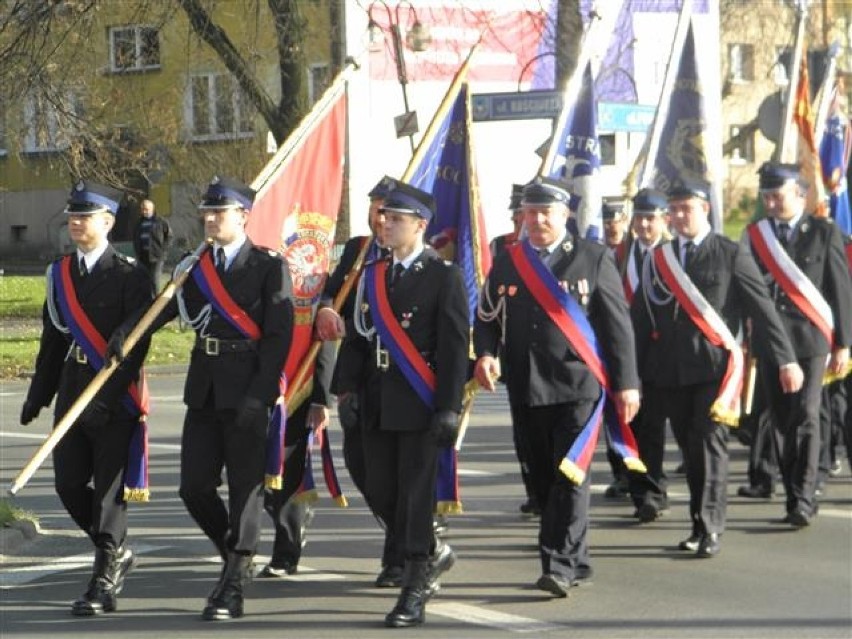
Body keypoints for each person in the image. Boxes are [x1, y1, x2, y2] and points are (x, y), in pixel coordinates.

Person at [116, 176, 294, 620]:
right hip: (205, 389)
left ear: (243, 216)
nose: (210, 219)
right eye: (207, 212)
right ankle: (236, 553)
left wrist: (261, 395)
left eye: (220, 212)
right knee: (194, 487)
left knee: (244, 490)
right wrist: (126, 332)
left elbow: (278, 337)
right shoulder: (195, 266)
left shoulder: (269, 266)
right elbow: (165, 307)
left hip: (248, 389)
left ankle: (232, 583)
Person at [474, 178, 640, 597]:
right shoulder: (509, 260)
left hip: (577, 387)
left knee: (570, 476)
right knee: (545, 479)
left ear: (565, 214)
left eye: (546, 212)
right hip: (526, 385)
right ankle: (576, 558)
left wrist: (627, 384)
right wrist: (486, 353)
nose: (537, 220)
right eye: (530, 213)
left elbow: (617, 327)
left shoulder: (592, 258)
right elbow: (487, 316)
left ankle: (559, 565)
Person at [631, 179, 802, 557]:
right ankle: (698, 521)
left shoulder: (728, 252)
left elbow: (762, 307)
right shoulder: (660, 258)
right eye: (672, 210)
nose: (677, 216)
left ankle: (709, 528)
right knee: (691, 453)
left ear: (704, 209)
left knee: (710, 448)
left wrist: (786, 358)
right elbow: (642, 318)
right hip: (669, 372)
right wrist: (632, 375)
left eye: (685, 208)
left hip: (714, 372)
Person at [335, 181, 469, 627]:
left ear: (420, 226)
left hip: (418, 401)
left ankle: (414, 586)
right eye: (383, 217)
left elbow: (453, 348)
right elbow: (357, 337)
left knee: (413, 496)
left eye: (395, 219)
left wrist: (449, 407)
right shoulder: (372, 274)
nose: (385, 224)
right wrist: (346, 389)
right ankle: (430, 548)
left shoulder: (443, 276)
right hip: (376, 398)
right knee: (379, 487)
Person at [20, 180, 154, 616]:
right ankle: (115, 550)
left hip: (115, 393)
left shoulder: (130, 276)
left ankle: (103, 580)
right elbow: (53, 338)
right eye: (72, 216)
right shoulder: (60, 273)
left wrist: (110, 397)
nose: (75, 223)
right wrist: (38, 395)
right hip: (73, 385)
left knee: (108, 492)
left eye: (85, 216)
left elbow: (137, 348)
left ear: (108, 222)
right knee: (68, 483)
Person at [742, 163, 852, 527]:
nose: (772, 203)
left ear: (800, 196)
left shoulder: (823, 232)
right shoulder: (756, 236)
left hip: (811, 339)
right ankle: (794, 491)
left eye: (779, 195)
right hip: (771, 342)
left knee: (806, 415)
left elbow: (839, 289)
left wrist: (843, 344)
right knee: (782, 420)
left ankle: (802, 499)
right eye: (767, 197)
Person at [314, 175, 407, 586]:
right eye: (375, 206)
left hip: (402, 380)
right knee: (363, 467)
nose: (379, 215)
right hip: (358, 378)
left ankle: (403, 551)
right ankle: (405, 537)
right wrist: (324, 309)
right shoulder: (358, 250)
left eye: (387, 208)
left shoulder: (416, 256)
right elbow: (330, 293)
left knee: (396, 472)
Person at [258, 340, 335, 577]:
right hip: (253, 382)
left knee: (285, 475)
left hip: (297, 383)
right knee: (255, 476)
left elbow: (326, 341)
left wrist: (321, 398)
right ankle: (296, 520)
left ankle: (286, 553)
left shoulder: (317, 300)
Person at [488, 183, 541, 518]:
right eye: (519, 214)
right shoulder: (502, 248)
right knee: (524, 432)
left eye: (527, 214)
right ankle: (534, 489)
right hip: (515, 353)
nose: (523, 220)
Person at [132, 199, 171, 291]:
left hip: (157, 256)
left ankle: (157, 302)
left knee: (154, 280)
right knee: (144, 280)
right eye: (142, 209)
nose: (144, 211)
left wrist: (163, 251)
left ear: (152, 209)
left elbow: (169, 237)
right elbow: (135, 238)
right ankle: (147, 302)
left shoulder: (160, 221)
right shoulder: (139, 223)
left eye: (146, 209)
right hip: (143, 256)